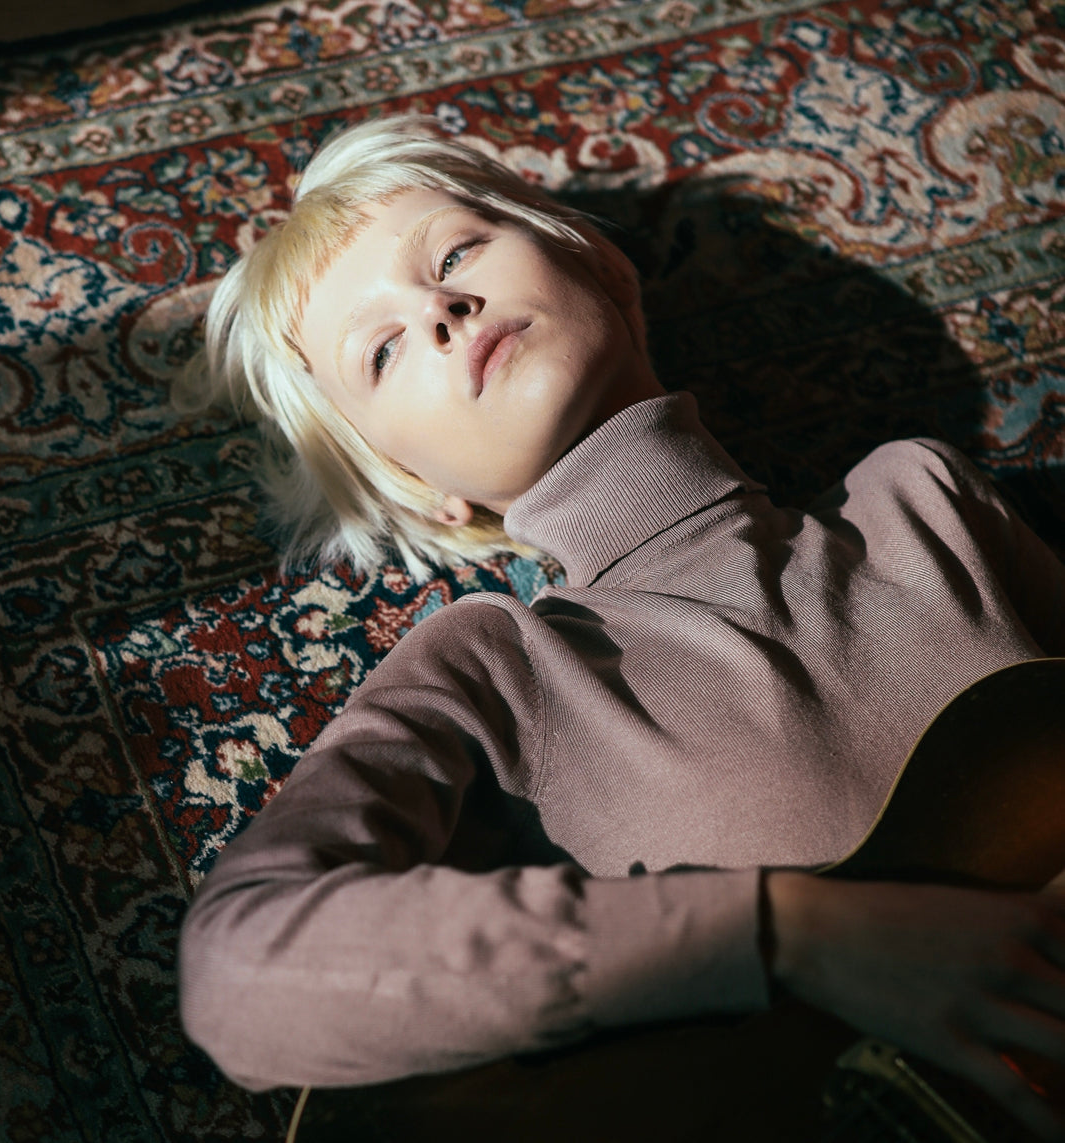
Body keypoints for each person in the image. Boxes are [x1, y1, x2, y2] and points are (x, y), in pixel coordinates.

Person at [174, 114, 1065, 1138]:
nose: (439, 310)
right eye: (379, 352)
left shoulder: (926, 501)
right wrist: (791, 939)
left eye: (456, 252)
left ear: (598, 262)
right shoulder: (501, 665)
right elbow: (242, 971)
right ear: (424, 497)